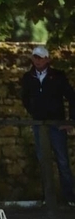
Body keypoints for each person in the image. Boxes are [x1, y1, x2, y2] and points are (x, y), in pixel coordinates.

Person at [21, 45, 75, 207]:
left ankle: (70, 197)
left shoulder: (58, 76)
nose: (37, 60)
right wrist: (34, 113)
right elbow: (25, 98)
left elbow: (71, 97)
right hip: (39, 124)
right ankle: (49, 197)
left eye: (40, 57)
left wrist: (69, 121)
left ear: (47, 59)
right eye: (35, 57)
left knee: (62, 160)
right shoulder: (28, 77)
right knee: (43, 160)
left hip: (56, 123)